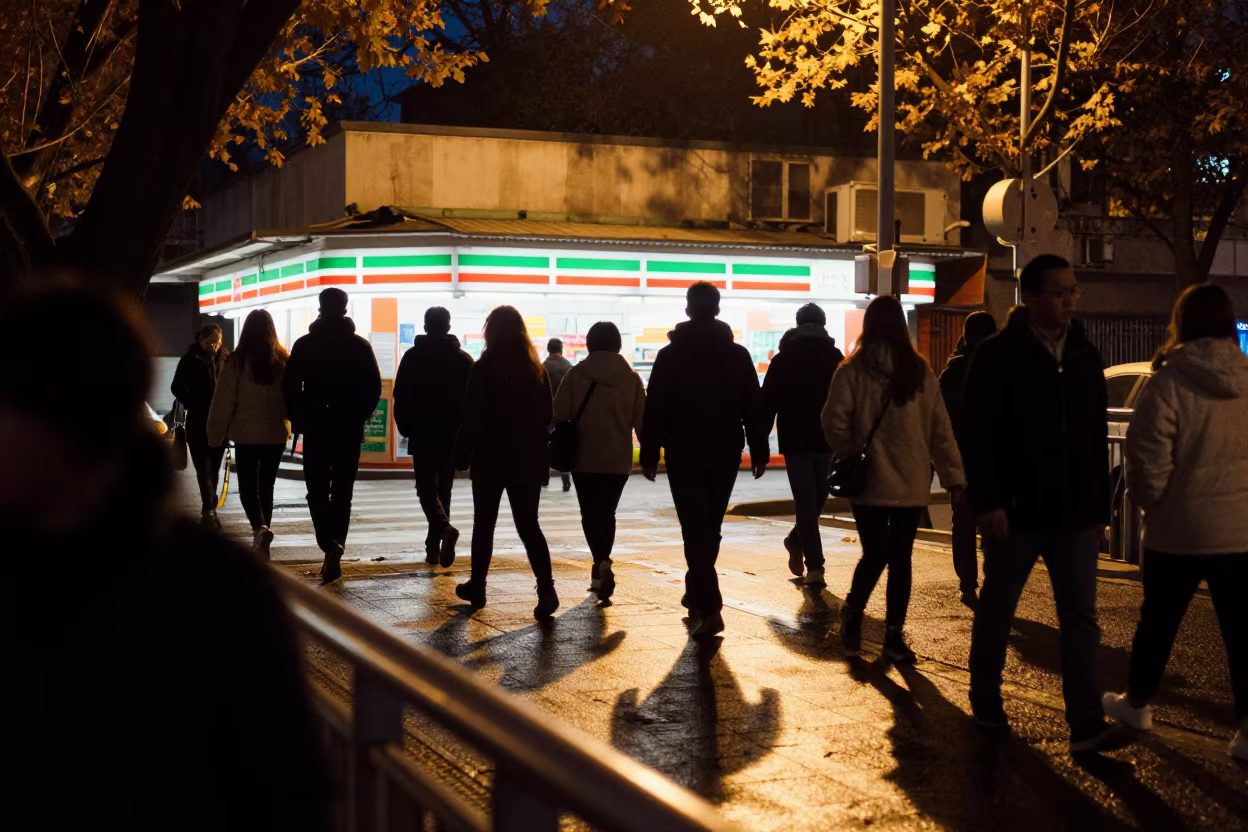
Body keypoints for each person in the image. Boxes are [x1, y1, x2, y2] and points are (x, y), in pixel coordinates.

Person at [1, 283, 328, 829]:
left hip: (238, 438)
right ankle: (262, 518)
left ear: (50, 417)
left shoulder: (207, 590)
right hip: (260, 438)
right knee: (256, 489)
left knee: (252, 488)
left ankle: (260, 517)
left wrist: (218, 432)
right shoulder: (220, 584)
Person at [962, 254, 1126, 754]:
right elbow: (976, 434)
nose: (1071, 300)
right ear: (1029, 297)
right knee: (999, 606)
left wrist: (1100, 510)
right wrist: (989, 502)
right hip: (1016, 509)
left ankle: (1085, 723)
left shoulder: (1083, 355)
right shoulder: (996, 355)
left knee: (1081, 617)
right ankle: (985, 697)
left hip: (1075, 514)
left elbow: (1093, 436)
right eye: (1060, 292)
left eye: (1074, 290)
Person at [1101, 284, 1248, 762]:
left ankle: (1138, 704)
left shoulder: (1168, 381)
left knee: (1158, 624)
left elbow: (1145, 460)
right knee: (1242, 634)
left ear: (1181, 323)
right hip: (1240, 531)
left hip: (1177, 531)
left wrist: (1155, 505)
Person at [822, 295, 964, 663]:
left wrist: (851, 448)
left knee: (875, 553)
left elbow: (832, 420)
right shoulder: (920, 374)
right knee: (901, 559)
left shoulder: (851, 371)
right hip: (912, 481)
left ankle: (853, 610)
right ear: (902, 327)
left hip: (868, 480)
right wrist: (953, 479)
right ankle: (893, 636)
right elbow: (941, 432)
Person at [640, 281, 770, 639]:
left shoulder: (670, 355)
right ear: (717, 309)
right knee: (709, 526)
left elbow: (656, 410)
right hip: (725, 450)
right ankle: (697, 588)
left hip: (684, 450)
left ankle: (709, 606)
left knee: (694, 528)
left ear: (687, 310)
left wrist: (649, 454)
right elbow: (752, 406)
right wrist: (759, 449)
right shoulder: (737, 355)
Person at [453, 306, 558, 620]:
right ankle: (547, 588)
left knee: (484, 524)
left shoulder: (484, 368)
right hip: (527, 459)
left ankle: (478, 586)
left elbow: (472, 417)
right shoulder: (536, 371)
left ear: (492, 332)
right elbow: (547, 417)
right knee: (529, 525)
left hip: (491, 457)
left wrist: (462, 453)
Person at [283, 288, 382, 585]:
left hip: (315, 429)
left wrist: (301, 414)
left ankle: (328, 543)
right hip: (347, 430)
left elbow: (289, 387)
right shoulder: (359, 346)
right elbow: (373, 389)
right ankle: (335, 546)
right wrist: (357, 415)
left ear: (320, 307)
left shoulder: (305, 344)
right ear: (345, 308)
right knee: (342, 493)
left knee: (316, 491)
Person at [553, 321, 646, 601]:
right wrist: (651, 457)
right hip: (617, 459)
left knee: (589, 514)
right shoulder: (631, 378)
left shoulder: (577, 374)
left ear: (590, 344)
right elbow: (642, 422)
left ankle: (601, 562)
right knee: (607, 513)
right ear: (618, 344)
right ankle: (599, 567)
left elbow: (559, 412)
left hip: (584, 457)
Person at [762, 302, 845, 586]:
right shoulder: (835, 358)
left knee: (808, 502)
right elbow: (848, 402)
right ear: (823, 325)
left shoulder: (783, 359)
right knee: (816, 500)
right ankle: (816, 565)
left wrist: (760, 443)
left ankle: (795, 540)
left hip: (796, 440)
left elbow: (767, 403)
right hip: (827, 440)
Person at [207, 309, 291, 560]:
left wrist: (214, 435)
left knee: (247, 489)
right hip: (275, 434)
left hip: (246, 435)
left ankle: (259, 529)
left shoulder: (236, 361)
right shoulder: (283, 360)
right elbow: (290, 399)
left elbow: (224, 401)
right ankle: (262, 533)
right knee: (267, 486)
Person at [393, 307, 474, 567]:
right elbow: (471, 401)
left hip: (423, 431)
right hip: (451, 434)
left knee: (426, 488)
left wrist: (406, 427)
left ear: (425, 326)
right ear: (448, 326)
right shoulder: (463, 360)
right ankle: (434, 545)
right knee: (444, 489)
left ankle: (441, 532)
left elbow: (400, 395)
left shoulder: (413, 356)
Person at [939, 310, 998, 607]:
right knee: (995, 522)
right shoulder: (1004, 367)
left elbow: (940, 423)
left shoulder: (953, 372)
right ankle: (993, 579)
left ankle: (967, 585)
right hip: (997, 463)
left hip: (960, 461)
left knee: (963, 523)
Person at [172, 323, 228, 528]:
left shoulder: (225, 359)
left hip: (220, 423)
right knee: (202, 467)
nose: (215, 343)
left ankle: (210, 509)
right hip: (196, 421)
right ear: (201, 340)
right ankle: (209, 509)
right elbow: (176, 386)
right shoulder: (189, 360)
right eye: (210, 339)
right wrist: (192, 401)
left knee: (214, 468)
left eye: (218, 339)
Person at [544, 337, 574, 492]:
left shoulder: (543, 367)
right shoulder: (568, 366)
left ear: (549, 349)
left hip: (548, 412)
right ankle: (565, 474)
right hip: (565, 412)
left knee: (545, 443)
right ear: (561, 349)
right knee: (563, 443)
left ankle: (544, 476)